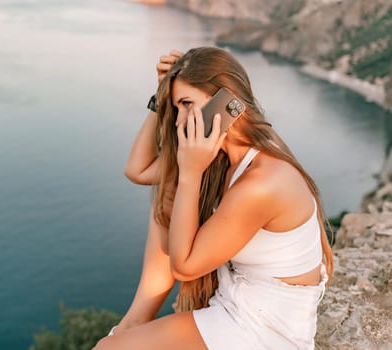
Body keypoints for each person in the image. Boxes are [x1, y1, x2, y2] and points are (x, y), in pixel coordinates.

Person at [93, 46, 333, 350]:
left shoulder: (263, 181)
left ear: (226, 100)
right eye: (177, 108)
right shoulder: (225, 158)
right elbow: (138, 170)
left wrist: (191, 174)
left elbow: (185, 266)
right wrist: (161, 98)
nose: (180, 120)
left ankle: (131, 328)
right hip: (237, 307)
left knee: (108, 349)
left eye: (187, 104)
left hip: (268, 330)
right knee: (167, 197)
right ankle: (135, 321)